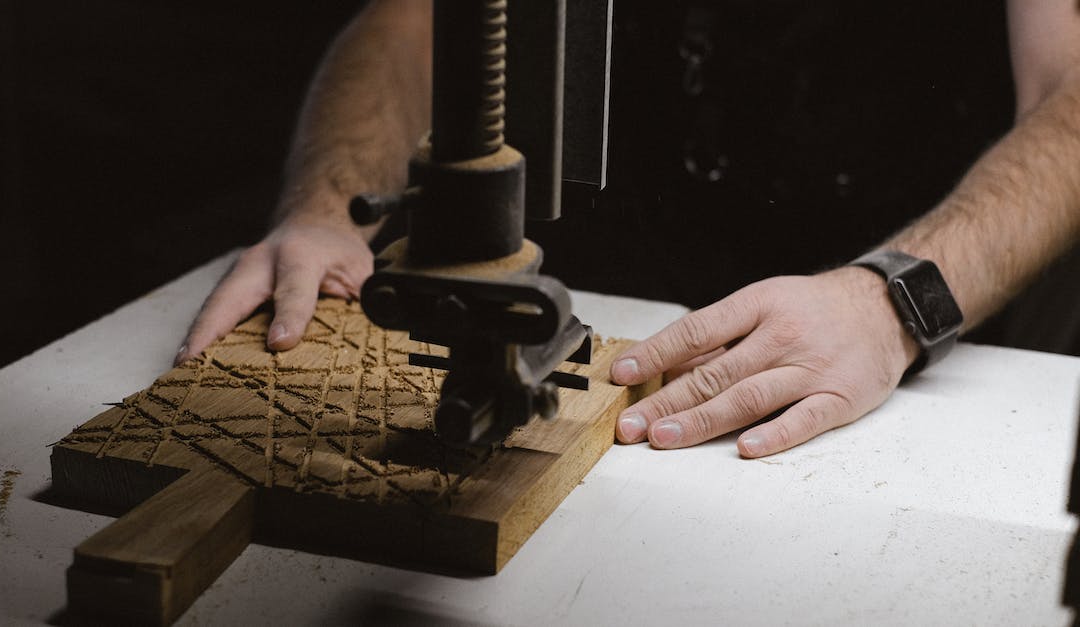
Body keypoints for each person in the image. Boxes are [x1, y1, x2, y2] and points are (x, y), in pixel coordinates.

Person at [175, 0, 1080, 458]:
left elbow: (1068, 91)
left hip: (887, 325)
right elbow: (417, 21)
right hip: (623, 294)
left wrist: (894, 300)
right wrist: (329, 205)